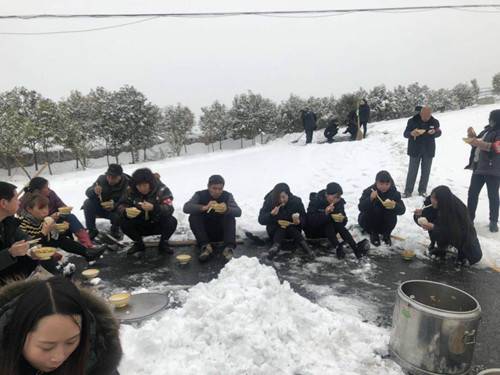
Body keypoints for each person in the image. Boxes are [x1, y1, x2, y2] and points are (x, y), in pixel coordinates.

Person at [0, 277, 122, 375]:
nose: (59, 357)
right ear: (18, 336)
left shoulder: (97, 351)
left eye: (71, 342)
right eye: (47, 347)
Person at [0, 182, 59, 284]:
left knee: (42, 259)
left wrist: (34, 249)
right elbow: (11, 253)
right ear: (4, 203)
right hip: (4, 274)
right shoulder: (21, 220)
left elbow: (25, 238)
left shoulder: (8, 221)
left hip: (11, 268)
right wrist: (10, 253)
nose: (19, 202)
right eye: (16, 198)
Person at [19, 193, 105, 262]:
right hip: (31, 254)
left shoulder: (41, 218)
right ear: (29, 209)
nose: (45, 211)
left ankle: (87, 252)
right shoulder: (23, 223)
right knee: (57, 242)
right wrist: (45, 234)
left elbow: (52, 237)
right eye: (41, 208)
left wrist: (58, 228)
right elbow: (30, 246)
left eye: (46, 207)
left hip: (43, 244)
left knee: (61, 238)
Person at [19, 177, 97, 249]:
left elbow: (62, 205)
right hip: (38, 227)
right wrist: (48, 218)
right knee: (58, 236)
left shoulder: (51, 193)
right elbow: (25, 217)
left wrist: (61, 212)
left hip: (55, 220)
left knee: (70, 217)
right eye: (46, 187)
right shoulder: (27, 199)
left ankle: (87, 243)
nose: (49, 189)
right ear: (37, 190)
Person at [415, 186, 482, 265]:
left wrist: (434, 227)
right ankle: (439, 246)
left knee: (475, 256)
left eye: (435, 199)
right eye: (432, 197)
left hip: (463, 237)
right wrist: (418, 216)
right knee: (434, 224)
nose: (432, 200)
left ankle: (457, 250)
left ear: (442, 200)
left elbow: (455, 232)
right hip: (445, 230)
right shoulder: (431, 202)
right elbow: (424, 218)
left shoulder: (458, 209)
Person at [119, 168, 177, 257]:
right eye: (139, 186)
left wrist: (154, 207)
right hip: (139, 223)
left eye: (145, 185)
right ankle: (138, 244)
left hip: (157, 222)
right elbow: (121, 205)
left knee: (172, 221)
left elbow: (169, 208)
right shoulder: (130, 190)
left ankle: (163, 243)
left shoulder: (162, 189)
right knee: (123, 222)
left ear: (150, 183)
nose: (142, 188)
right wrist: (125, 211)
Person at [183, 175, 241, 262]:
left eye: (220, 189)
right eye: (214, 188)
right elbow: (186, 208)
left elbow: (238, 212)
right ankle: (206, 247)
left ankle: (229, 248)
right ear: (208, 187)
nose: (217, 191)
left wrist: (227, 209)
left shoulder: (227, 196)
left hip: (222, 233)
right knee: (193, 216)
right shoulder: (199, 195)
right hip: (205, 233)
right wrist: (204, 207)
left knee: (230, 215)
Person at [305, 183, 369, 259]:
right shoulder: (316, 201)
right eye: (335, 197)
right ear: (326, 194)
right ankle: (338, 247)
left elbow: (344, 222)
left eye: (338, 197)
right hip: (314, 232)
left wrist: (342, 218)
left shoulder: (339, 203)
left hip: (330, 232)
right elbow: (311, 221)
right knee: (328, 221)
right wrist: (325, 213)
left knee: (336, 223)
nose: (336, 200)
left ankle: (355, 248)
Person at [465, 109, 500, 233]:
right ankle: (469, 219)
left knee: (493, 196)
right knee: (472, 194)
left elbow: (497, 148)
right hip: (478, 168)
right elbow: (476, 144)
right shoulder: (486, 130)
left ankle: (493, 222)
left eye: (491, 118)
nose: (489, 120)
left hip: (493, 170)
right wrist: (472, 137)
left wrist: (479, 143)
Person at [258, 183, 313, 260]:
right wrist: (271, 214)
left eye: (283, 197)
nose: (281, 200)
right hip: (274, 231)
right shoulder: (270, 201)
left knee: (290, 227)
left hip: (293, 231)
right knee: (282, 227)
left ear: (288, 194)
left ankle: (306, 248)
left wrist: (299, 221)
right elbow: (261, 219)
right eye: (278, 198)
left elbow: (304, 217)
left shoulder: (296, 201)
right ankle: (275, 248)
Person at [358, 171, 406, 247]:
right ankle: (374, 234)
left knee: (391, 211)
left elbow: (402, 210)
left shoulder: (394, 193)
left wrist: (394, 206)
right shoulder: (369, 191)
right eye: (381, 184)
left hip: (385, 224)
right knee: (376, 208)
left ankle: (386, 234)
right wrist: (370, 198)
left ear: (390, 183)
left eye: (387, 184)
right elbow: (360, 207)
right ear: (376, 183)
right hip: (368, 223)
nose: (384, 187)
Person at [83, 164, 129, 240]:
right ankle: (92, 230)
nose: (110, 180)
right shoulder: (101, 179)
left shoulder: (127, 183)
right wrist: (94, 190)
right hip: (102, 208)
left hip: (116, 210)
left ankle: (115, 229)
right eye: (109, 177)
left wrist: (114, 205)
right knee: (87, 203)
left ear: (120, 176)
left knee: (122, 210)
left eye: (114, 178)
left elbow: (127, 200)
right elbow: (88, 192)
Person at [403, 106, 441, 198]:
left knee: (426, 172)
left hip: (428, 150)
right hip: (415, 150)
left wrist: (434, 132)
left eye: (428, 117)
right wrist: (411, 133)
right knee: (412, 171)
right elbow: (405, 134)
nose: (426, 118)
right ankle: (408, 191)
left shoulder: (434, 121)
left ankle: (422, 190)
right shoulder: (412, 121)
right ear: (420, 113)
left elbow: (439, 132)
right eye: (424, 116)